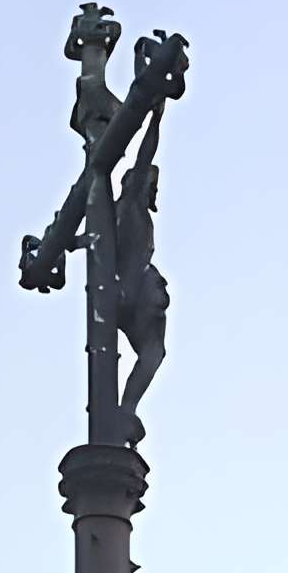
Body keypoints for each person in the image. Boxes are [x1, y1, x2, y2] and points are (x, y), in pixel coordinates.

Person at [116, 96, 170, 444]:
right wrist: (155, 118)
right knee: (154, 350)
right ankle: (126, 407)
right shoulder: (131, 205)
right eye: (150, 184)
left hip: (131, 291)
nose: (153, 191)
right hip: (129, 289)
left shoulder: (126, 211)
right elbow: (145, 155)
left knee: (155, 352)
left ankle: (126, 408)